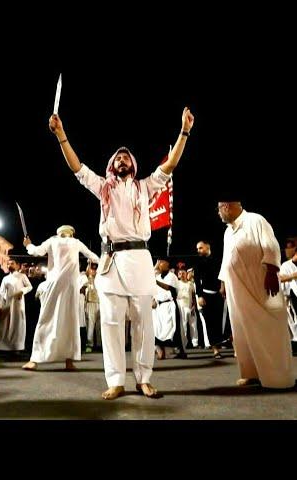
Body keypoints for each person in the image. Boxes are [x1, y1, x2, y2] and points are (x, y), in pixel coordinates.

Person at [49, 106, 194, 400]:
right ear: (111, 165)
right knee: (112, 323)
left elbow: (170, 166)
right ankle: (116, 380)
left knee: (143, 321)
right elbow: (77, 168)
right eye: (117, 157)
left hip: (140, 259)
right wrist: (62, 135)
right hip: (110, 261)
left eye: (126, 156)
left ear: (134, 164)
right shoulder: (103, 188)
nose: (121, 159)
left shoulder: (145, 187)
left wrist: (184, 132)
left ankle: (143, 379)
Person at [217, 199, 294, 389]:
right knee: (242, 331)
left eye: (219, 208)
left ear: (227, 206)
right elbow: (227, 259)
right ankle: (251, 373)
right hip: (237, 289)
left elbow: (271, 246)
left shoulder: (255, 220)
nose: (218, 212)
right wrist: (223, 282)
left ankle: (277, 377)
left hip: (258, 284)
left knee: (266, 327)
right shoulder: (228, 231)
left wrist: (271, 271)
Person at [22, 225, 99, 371]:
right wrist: (107, 263)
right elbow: (93, 256)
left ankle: (36, 360)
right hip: (68, 286)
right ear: (71, 233)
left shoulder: (54, 240)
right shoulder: (75, 242)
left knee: (46, 318)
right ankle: (68, 361)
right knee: (69, 321)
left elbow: (35, 251)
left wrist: (28, 244)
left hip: (57, 285)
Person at [0, 258, 32, 354]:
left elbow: (29, 286)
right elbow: (1, 293)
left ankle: (16, 347)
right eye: (9, 263)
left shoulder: (22, 276)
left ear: (17, 265)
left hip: (18, 304)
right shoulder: (5, 278)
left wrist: (22, 291)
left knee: (17, 325)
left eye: (12, 263)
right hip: (8, 304)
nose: (10, 265)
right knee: (5, 325)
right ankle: (1, 346)